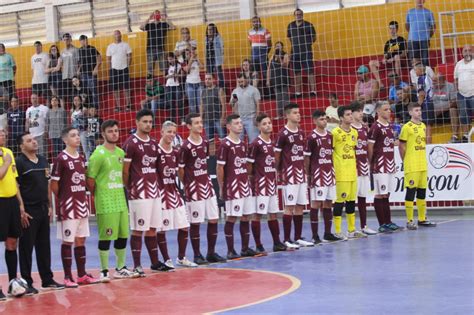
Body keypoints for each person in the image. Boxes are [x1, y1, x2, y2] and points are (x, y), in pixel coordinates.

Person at [122, 110, 173, 276]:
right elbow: (125, 170)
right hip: (139, 193)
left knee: (152, 228)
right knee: (138, 229)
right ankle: (137, 265)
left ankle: (155, 262)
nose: (148, 124)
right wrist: (130, 188)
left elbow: (157, 169)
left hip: (154, 192)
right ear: (137, 122)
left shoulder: (153, 144)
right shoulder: (131, 143)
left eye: (150, 122)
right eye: (144, 121)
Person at [86, 119, 139, 282]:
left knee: (123, 235)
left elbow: (124, 175)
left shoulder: (120, 153)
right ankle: (103, 271)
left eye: (116, 130)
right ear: (103, 134)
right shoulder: (98, 154)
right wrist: (96, 196)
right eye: (110, 131)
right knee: (106, 237)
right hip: (106, 201)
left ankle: (120, 268)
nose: (114, 133)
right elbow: (90, 179)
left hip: (120, 201)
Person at [50, 127, 99, 287]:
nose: (77, 138)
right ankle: (67, 277)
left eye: (78, 135)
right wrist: (64, 198)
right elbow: (54, 184)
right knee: (68, 241)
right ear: (65, 140)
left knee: (81, 240)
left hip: (81, 204)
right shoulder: (61, 158)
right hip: (68, 206)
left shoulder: (81, 157)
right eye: (73, 136)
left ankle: (81, 275)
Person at [16, 133, 65, 294]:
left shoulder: (43, 160)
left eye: (34, 139)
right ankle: (26, 282)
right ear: (22, 146)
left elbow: (47, 185)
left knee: (44, 247)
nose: (34, 142)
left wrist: (50, 206)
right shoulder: (19, 163)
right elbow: (16, 188)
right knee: (26, 248)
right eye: (29, 140)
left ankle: (47, 279)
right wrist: (21, 209)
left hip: (44, 209)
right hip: (28, 211)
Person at [178, 113, 227, 264]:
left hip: (207, 185)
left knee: (213, 219)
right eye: (196, 123)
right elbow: (181, 170)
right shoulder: (185, 147)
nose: (200, 125)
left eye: (201, 122)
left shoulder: (205, 142)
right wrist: (188, 184)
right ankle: (197, 255)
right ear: (188, 126)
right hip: (194, 188)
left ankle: (211, 253)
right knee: (196, 222)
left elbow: (204, 162)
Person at [217, 114, 257, 259]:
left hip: (244, 185)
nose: (240, 125)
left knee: (246, 216)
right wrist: (222, 187)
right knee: (232, 217)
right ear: (228, 127)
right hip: (233, 187)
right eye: (236, 123)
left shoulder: (242, 143)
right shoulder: (224, 144)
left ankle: (245, 248)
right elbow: (219, 168)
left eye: (241, 122)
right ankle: (230, 250)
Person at [157, 121, 196, 268]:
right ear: (162, 132)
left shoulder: (175, 152)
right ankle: (167, 259)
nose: (171, 135)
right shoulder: (156, 151)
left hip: (174, 192)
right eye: (169, 132)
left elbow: (180, 172)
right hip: (160, 194)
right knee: (162, 229)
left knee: (184, 226)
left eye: (174, 132)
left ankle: (181, 257)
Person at [248, 113, 287, 253]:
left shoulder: (273, 143)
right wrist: (254, 181)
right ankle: (258, 245)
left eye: (269, 122)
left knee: (273, 213)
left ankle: (277, 242)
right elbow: (249, 167)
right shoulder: (255, 144)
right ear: (258, 126)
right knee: (257, 214)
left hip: (272, 184)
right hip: (260, 185)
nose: (268, 125)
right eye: (264, 123)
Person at [275, 104, 312, 248]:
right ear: (288, 115)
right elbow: (277, 155)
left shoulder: (301, 132)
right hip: (289, 175)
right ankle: (286, 239)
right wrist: (279, 172)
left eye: (299, 112)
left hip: (300, 174)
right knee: (289, 207)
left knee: (300, 206)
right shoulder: (282, 134)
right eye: (295, 113)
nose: (298, 115)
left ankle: (298, 237)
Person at [304, 110, 340, 243]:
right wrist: (308, 174)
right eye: (321, 119)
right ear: (314, 121)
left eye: (325, 119)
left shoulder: (330, 136)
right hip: (317, 174)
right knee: (316, 203)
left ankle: (327, 233)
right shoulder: (311, 137)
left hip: (329, 173)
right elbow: (307, 158)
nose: (324, 121)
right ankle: (315, 235)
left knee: (329, 202)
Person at [399, 103, 437, 229]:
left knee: (422, 192)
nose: (419, 112)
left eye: (420, 110)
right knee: (410, 192)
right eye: (416, 110)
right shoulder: (407, 127)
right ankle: (410, 220)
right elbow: (402, 146)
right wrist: (405, 160)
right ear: (410, 112)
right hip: (412, 165)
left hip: (422, 164)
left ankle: (422, 219)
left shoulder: (423, 126)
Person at [0, 128, 27, 300]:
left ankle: (12, 283)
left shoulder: (8, 152)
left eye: (3, 133)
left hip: (11, 202)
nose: (2, 136)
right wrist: (7, 161)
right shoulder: (8, 156)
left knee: (12, 242)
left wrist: (21, 205)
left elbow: (14, 181)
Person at [367, 101, 401, 233]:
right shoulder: (375, 127)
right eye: (385, 109)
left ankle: (388, 221)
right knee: (380, 194)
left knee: (386, 194)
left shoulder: (390, 126)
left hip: (389, 164)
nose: (389, 111)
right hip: (379, 165)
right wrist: (371, 162)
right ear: (378, 112)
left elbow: (388, 143)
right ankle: (382, 224)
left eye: (389, 109)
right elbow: (370, 146)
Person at [331, 106, 358, 241]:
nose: (350, 117)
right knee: (339, 202)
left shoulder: (354, 132)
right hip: (341, 173)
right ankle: (337, 231)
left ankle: (351, 230)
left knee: (351, 202)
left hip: (353, 171)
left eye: (351, 114)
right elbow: (330, 152)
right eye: (347, 115)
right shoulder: (335, 133)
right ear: (341, 118)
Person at [351, 102, 377, 236]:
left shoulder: (364, 128)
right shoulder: (348, 129)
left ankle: (364, 226)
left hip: (363, 167)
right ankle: (350, 228)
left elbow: (367, 147)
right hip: (351, 168)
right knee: (349, 199)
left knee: (362, 197)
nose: (361, 113)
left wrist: (369, 162)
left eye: (361, 111)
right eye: (357, 111)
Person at [287, 9, 316, 97]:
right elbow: (290, 38)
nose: (298, 15)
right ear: (294, 15)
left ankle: (313, 91)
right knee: (297, 72)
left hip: (306, 52)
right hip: (295, 53)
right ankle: (298, 92)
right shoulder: (290, 26)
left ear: (302, 15)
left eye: (300, 14)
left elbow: (314, 38)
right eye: (296, 14)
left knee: (310, 71)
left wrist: (306, 44)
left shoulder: (309, 25)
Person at [369, 21, 407, 88]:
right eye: (390, 28)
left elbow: (404, 53)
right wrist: (385, 59)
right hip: (389, 62)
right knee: (371, 63)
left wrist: (394, 58)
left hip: (398, 61)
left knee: (396, 56)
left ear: (397, 29)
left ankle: (397, 81)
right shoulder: (388, 42)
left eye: (393, 28)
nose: (392, 30)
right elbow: (385, 55)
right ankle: (380, 83)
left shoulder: (401, 39)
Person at [140, 10, 176, 76]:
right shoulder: (150, 25)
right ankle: (150, 84)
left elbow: (173, 27)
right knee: (150, 68)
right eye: (155, 14)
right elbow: (141, 27)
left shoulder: (164, 24)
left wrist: (166, 19)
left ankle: (166, 82)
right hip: (150, 49)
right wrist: (149, 18)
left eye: (158, 14)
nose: (156, 15)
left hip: (160, 49)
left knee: (164, 67)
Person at [230, 72, 260, 143]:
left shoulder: (253, 90)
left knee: (254, 141)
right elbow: (232, 105)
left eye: (242, 81)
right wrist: (233, 101)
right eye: (239, 82)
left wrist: (257, 117)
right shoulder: (235, 91)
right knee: (238, 142)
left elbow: (258, 104)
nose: (240, 83)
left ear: (247, 79)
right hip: (239, 120)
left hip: (251, 119)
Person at [107, 30, 132, 112]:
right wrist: (110, 69)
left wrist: (127, 65)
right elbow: (108, 59)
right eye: (115, 34)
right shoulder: (110, 46)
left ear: (121, 35)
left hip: (124, 68)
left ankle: (128, 105)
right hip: (114, 69)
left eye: (118, 34)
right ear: (113, 36)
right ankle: (117, 106)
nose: (117, 35)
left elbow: (129, 56)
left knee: (126, 88)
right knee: (115, 89)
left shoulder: (126, 44)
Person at [200, 73, 226, 152]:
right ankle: (212, 160)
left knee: (223, 140)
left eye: (209, 79)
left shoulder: (219, 90)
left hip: (218, 119)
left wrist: (222, 118)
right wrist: (201, 118)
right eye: (206, 79)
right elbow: (201, 106)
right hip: (207, 120)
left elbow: (224, 105)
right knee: (210, 141)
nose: (207, 80)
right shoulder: (203, 91)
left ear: (214, 80)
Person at [405, 0, 435, 66]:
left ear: (424, 1)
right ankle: (415, 76)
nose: (419, 1)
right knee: (414, 61)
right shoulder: (410, 12)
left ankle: (426, 76)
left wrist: (427, 36)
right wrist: (413, 34)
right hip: (412, 40)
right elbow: (407, 26)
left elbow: (433, 27)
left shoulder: (429, 12)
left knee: (425, 60)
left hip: (424, 40)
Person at [454, 45, 473, 143]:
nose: (467, 52)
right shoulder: (459, 64)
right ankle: (466, 136)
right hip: (461, 94)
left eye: (470, 50)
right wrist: (457, 92)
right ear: (462, 53)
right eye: (465, 50)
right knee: (463, 116)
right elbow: (456, 79)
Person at [432, 73, 459, 142]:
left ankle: (455, 136)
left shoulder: (450, 86)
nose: (433, 83)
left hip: (446, 112)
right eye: (433, 81)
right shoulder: (432, 87)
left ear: (442, 81)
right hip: (434, 113)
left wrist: (441, 109)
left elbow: (454, 102)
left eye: (435, 81)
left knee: (453, 110)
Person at [266, 41, 290, 117]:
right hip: (275, 79)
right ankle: (279, 115)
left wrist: (280, 58)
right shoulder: (272, 56)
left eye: (279, 46)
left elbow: (285, 65)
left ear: (282, 47)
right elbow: (269, 69)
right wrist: (268, 80)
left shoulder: (285, 55)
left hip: (283, 78)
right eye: (276, 46)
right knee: (278, 98)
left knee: (284, 97)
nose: (277, 47)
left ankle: (287, 115)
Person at [248, 16, 272, 90]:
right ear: (252, 23)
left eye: (257, 21)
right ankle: (258, 90)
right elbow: (250, 43)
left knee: (265, 72)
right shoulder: (250, 32)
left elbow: (269, 44)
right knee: (256, 73)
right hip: (254, 55)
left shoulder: (265, 30)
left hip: (263, 54)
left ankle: (268, 90)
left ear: (260, 22)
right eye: (254, 21)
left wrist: (265, 53)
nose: (255, 23)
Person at [413, 62, 434, 143]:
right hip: (430, 102)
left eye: (416, 70)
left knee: (425, 125)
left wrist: (417, 106)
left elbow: (421, 94)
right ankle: (429, 143)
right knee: (428, 125)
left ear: (420, 70)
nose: (415, 72)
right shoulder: (428, 77)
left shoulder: (420, 79)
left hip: (425, 103)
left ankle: (426, 144)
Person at [78, 35, 101, 108]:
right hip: (83, 74)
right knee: (84, 91)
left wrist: (96, 68)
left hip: (91, 73)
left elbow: (99, 59)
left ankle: (95, 107)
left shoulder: (92, 48)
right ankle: (86, 106)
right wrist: (78, 70)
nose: (85, 42)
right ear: (80, 41)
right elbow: (81, 62)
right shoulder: (80, 50)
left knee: (93, 90)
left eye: (86, 40)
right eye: (83, 40)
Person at [25, 93, 49, 158]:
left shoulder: (44, 108)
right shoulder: (28, 110)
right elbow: (27, 121)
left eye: (35, 98)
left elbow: (47, 121)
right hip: (32, 135)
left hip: (41, 134)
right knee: (34, 153)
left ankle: (44, 166)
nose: (34, 100)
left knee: (42, 152)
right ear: (30, 100)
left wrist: (46, 131)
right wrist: (27, 132)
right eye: (32, 98)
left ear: (38, 99)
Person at [59, 33, 80, 107]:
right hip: (65, 77)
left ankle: (75, 110)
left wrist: (78, 72)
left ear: (70, 40)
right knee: (64, 95)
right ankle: (64, 111)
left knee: (74, 95)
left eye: (67, 39)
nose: (66, 41)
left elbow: (79, 62)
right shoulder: (62, 51)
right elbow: (60, 63)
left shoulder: (75, 50)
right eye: (64, 40)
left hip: (73, 76)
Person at [165, 52, 185, 124]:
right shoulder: (167, 66)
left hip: (176, 85)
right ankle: (172, 120)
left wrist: (176, 75)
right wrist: (169, 76)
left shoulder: (179, 65)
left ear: (174, 58)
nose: (170, 61)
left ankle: (182, 119)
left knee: (179, 103)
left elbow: (182, 75)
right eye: (168, 59)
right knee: (171, 104)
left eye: (171, 59)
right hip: (168, 86)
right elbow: (165, 76)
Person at [205, 23, 225, 89]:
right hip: (208, 60)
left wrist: (221, 55)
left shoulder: (218, 37)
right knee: (210, 74)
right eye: (208, 29)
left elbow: (222, 47)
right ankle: (210, 88)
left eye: (211, 29)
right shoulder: (206, 39)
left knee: (219, 74)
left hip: (216, 59)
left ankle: (222, 88)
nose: (210, 31)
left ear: (214, 30)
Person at [183, 48, 202, 115]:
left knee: (200, 102)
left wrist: (197, 58)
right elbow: (187, 69)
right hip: (190, 84)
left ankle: (201, 117)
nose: (189, 55)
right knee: (192, 104)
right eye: (187, 54)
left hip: (198, 84)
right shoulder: (184, 63)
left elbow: (202, 66)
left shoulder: (196, 61)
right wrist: (192, 58)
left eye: (190, 53)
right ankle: (193, 117)